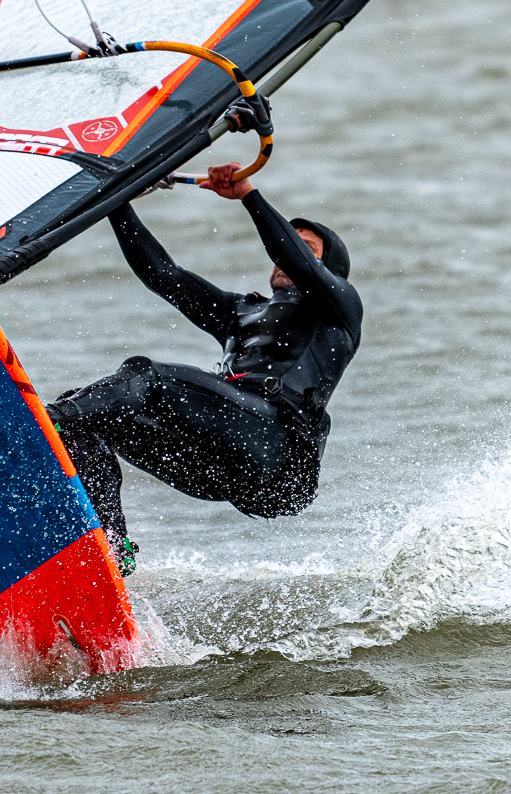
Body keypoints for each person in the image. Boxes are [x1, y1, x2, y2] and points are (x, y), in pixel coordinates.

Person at [46, 161, 362, 577]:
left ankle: (36, 425)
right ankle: (110, 548)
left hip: (276, 451)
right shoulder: (241, 312)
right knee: (92, 420)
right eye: (293, 242)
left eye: (307, 247)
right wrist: (117, 200)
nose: (290, 255)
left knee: (144, 375)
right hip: (225, 466)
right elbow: (164, 275)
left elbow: (297, 261)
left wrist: (248, 195)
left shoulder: (339, 309)